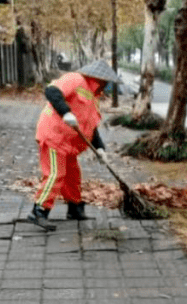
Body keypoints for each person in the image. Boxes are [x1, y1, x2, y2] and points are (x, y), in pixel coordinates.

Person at [27, 59, 119, 229]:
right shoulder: (75, 79)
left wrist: (100, 148)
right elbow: (52, 91)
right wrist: (66, 112)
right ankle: (39, 210)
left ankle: (75, 209)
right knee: (55, 174)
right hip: (54, 135)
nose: (107, 85)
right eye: (106, 81)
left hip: (69, 143)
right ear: (98, 77)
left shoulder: (94, 97)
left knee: (73, 176)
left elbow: (91, 127)